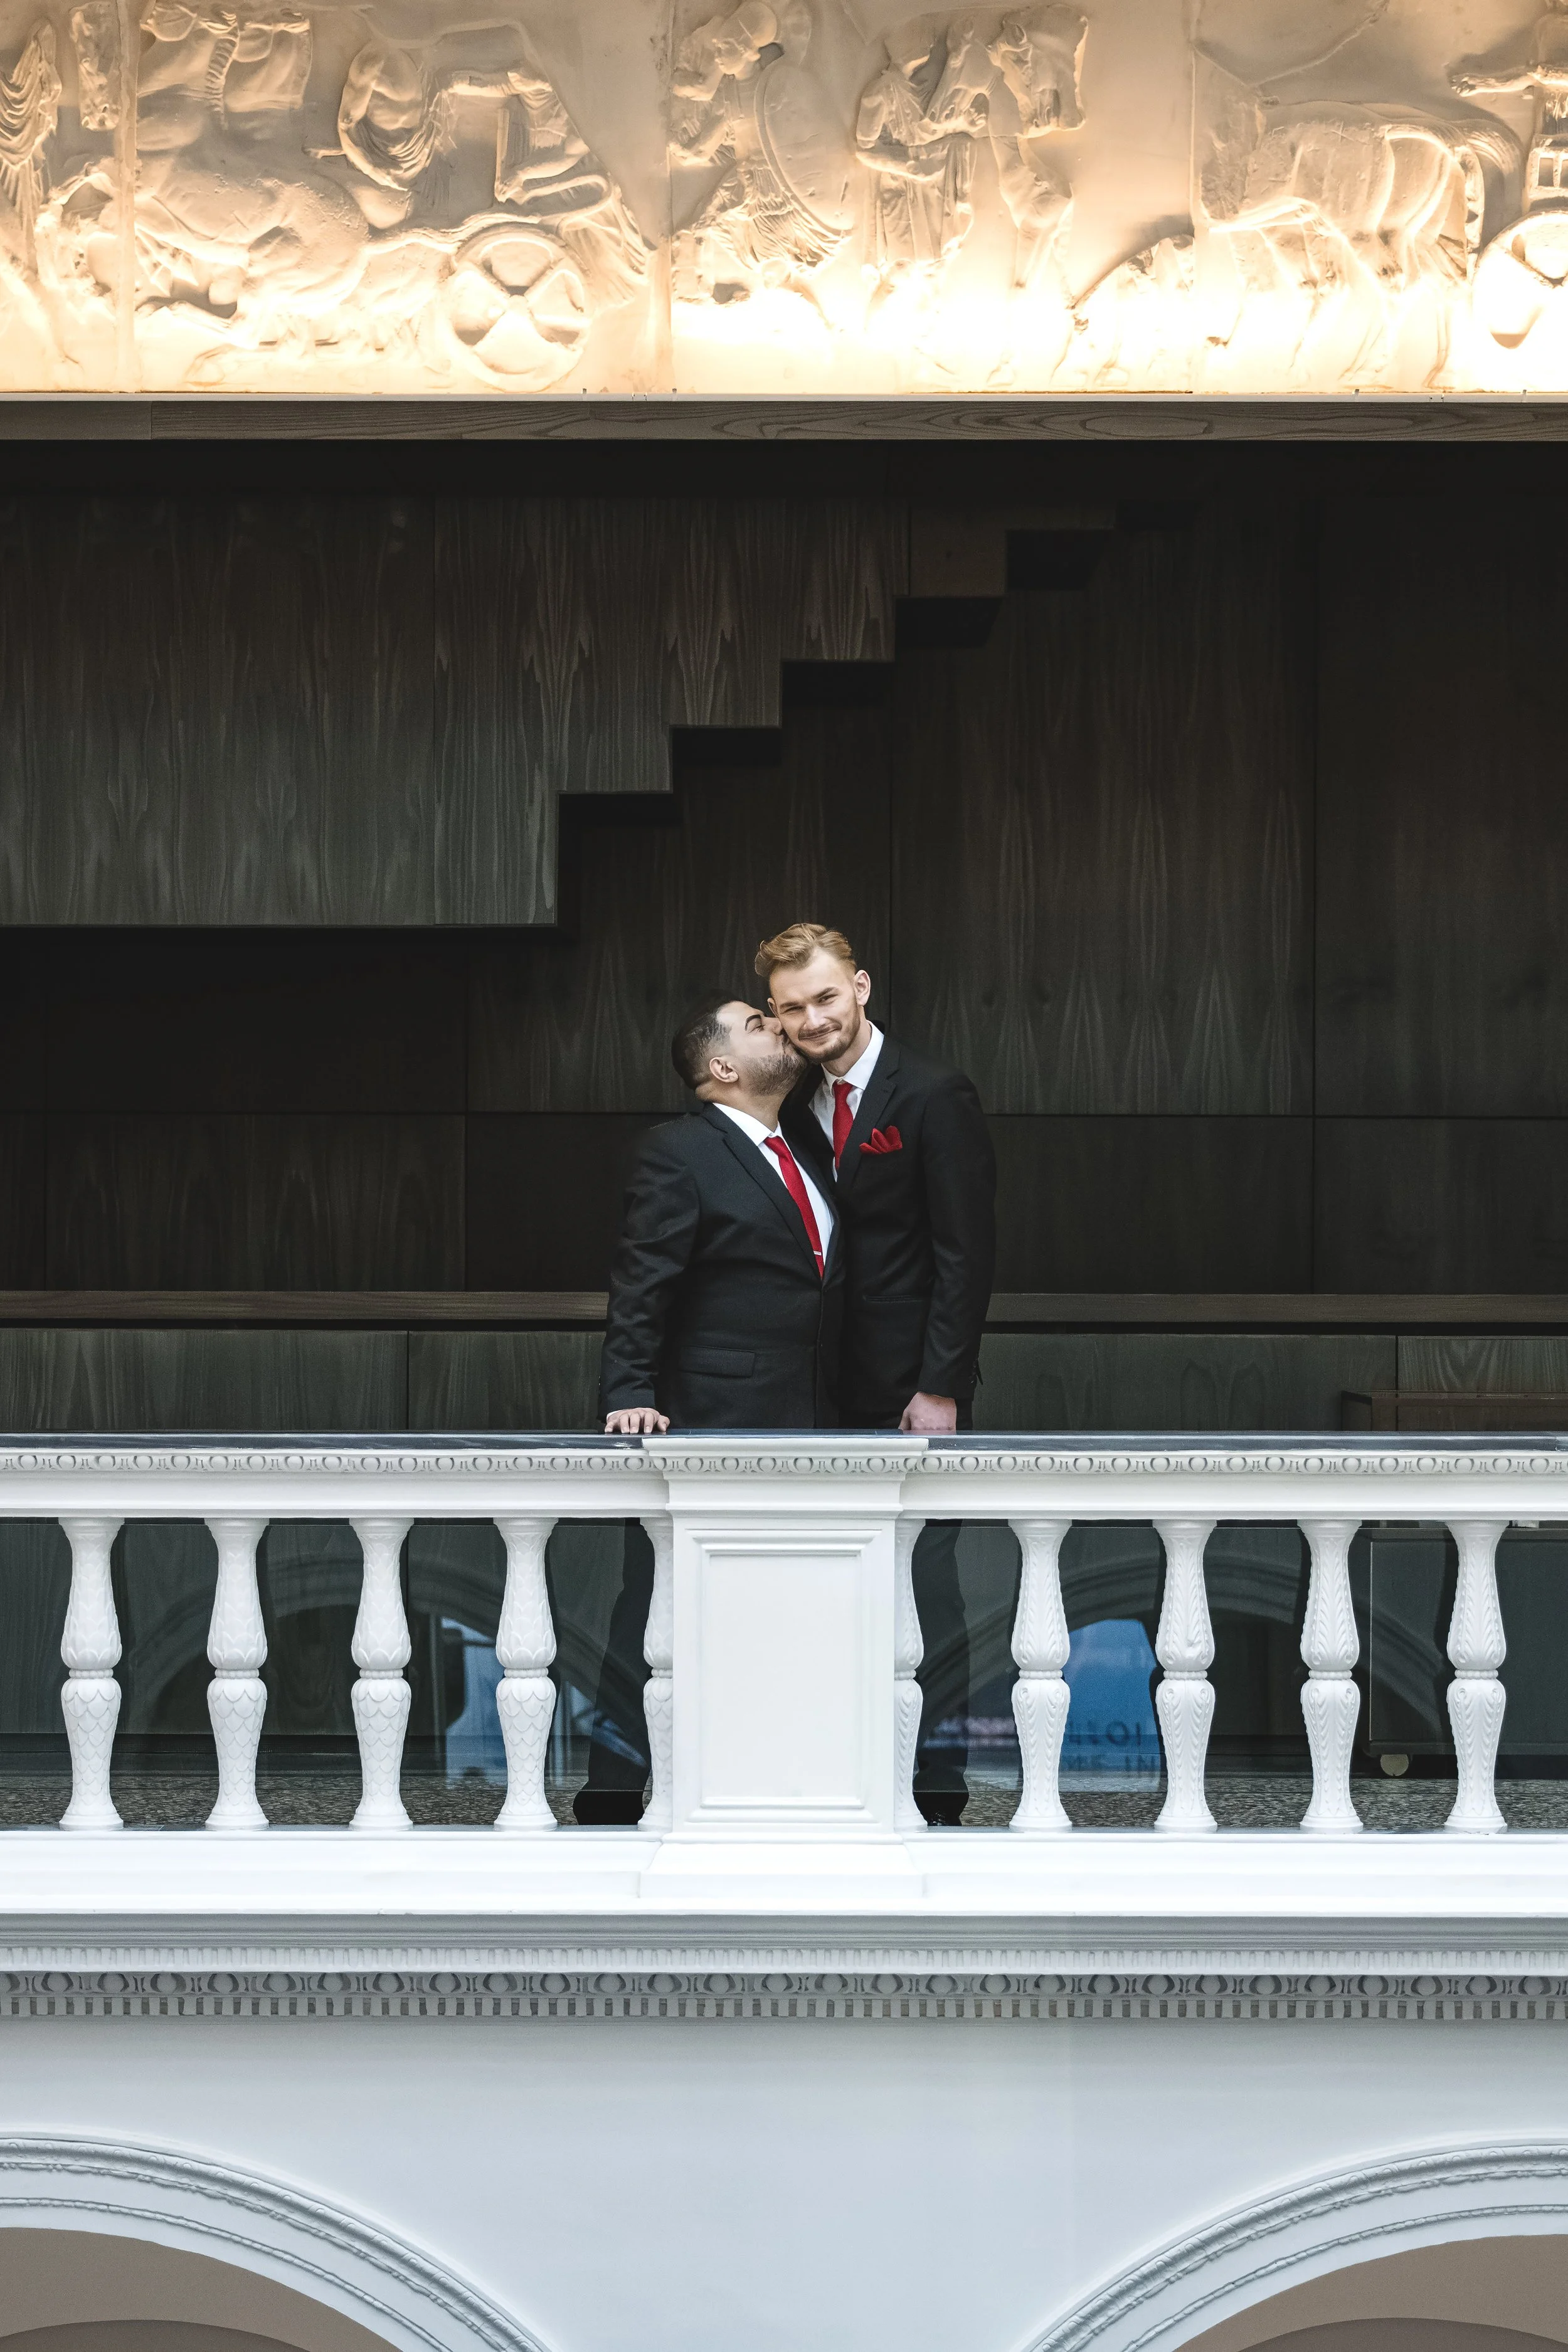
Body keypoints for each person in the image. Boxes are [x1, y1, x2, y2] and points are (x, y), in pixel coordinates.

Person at [578, 992, 841, 1822]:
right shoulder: (682, 1149)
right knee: (663, 1610)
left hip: (816, 1423)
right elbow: (643, 1278)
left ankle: (778, 1780)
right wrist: (629, 1394)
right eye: (758, 1023)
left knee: (796, 1611)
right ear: (722, 1065)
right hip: (714, 1418)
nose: (779, 1025)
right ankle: (615, 1790)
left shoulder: (806, 1147)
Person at [762, 921, 996, 1825]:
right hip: (817, 1388)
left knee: (924, 1584)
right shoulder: (794, 1103)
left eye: (826, 997)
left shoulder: (934, 1093)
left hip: (911, 1390)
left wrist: (941, 1385)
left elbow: (965, 1254)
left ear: (860, 987)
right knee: (827, 1583)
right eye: (793, 1008)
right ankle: (837, 1766)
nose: (813, 1020)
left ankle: (935, 1783)